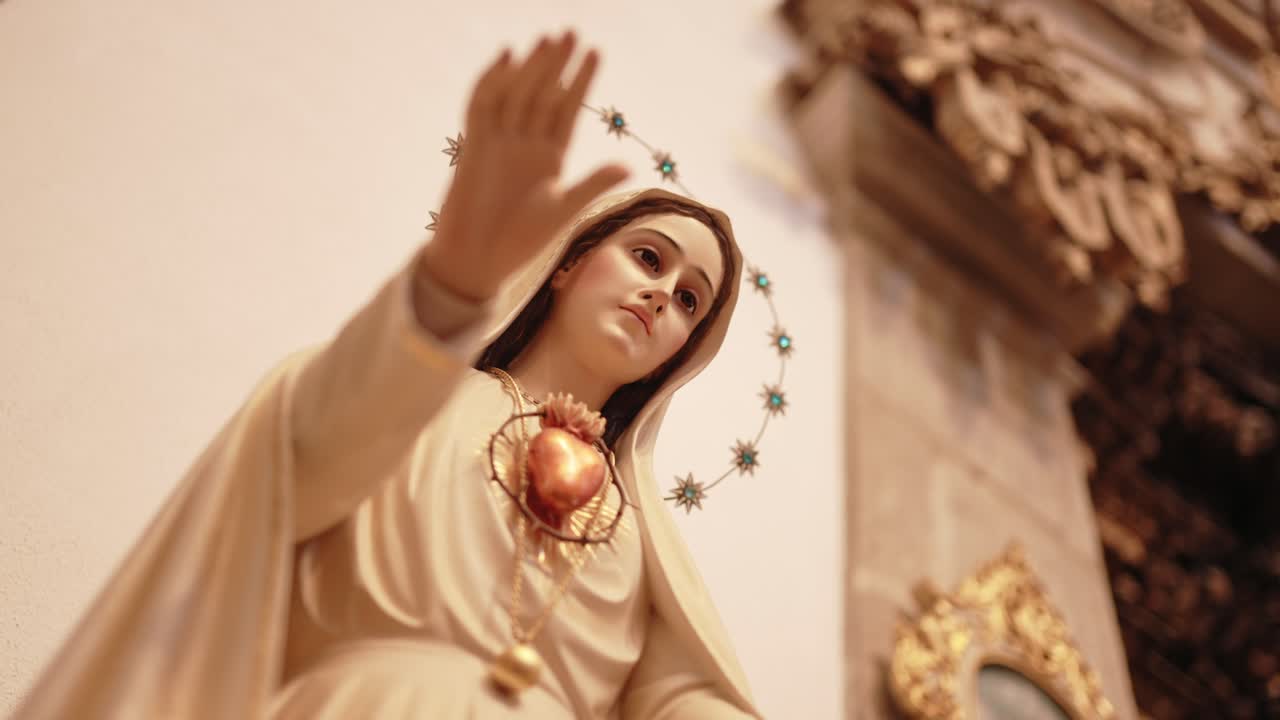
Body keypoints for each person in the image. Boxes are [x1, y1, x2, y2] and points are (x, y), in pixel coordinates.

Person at [12, 31, 759, 719]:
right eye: (649, 257)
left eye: (690, 300)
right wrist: (449, 288)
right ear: (566, 264)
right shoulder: (418, 394)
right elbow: (302, 451)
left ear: (679, 354)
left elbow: (678, 697)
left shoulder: (637, 537)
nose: (662, 294)